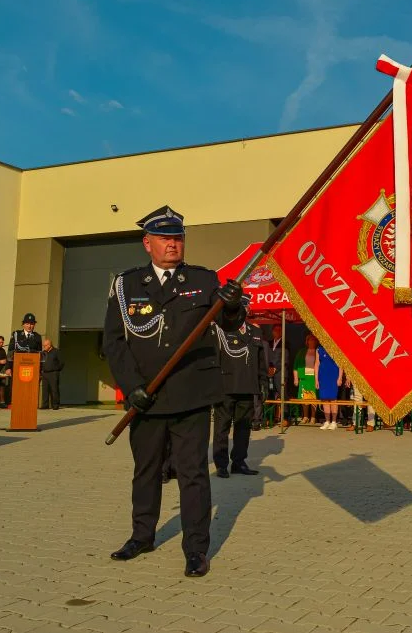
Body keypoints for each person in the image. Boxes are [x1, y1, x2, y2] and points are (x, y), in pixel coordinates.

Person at [102, 205, 244, 577]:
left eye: (178, 238)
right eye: (165, 238)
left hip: (191, 394)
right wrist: (131, 387)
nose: (173, 244)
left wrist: (232, 306)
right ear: (147, 243)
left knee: (193, 473)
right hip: (146, 396)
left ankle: (196, 549)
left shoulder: (205, 279)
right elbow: (114, 342)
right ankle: (141, 535)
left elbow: (229, 323)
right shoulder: (126, 285)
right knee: (145, 470)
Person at [211, 319, 267, 478]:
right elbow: (215, 357)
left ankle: (239, 462)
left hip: (248, 386)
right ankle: (221, 464)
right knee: (222, 428)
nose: (245, 310)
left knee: (243, 428)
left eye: (248, 307)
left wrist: (264, 382)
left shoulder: (255, 332)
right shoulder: (222, 328)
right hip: (226, 386)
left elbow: (260, 361)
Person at [293, 333, 320, 424]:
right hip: (304, 378)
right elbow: (295, 366)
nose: (312, 341)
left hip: (314, 378)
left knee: (313, 398)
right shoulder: (301, 352)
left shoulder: (318, 351)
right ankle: (305, 416)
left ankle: (313, 417)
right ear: (307, 341)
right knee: (304, 398)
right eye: (310, 340)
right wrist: (296, 378)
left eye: (314, 340)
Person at [316, 341, 340, 430]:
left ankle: (334, 421)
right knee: (325, 399)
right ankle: (327, 421)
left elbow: (341, 363)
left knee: (333, 399)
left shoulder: (336, 347)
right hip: (323, 376)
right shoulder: (319, 349)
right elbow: (317, 364)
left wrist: (340, 377)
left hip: (333, 375)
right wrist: (316, 379)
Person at [40, 338, 65, 410]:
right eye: (43, 345)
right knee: (45, 390)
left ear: (49, 345)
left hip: (53, 373)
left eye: (45, 345)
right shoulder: (43, 353)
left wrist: (57, 369)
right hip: (44, 373)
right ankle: (45, 405)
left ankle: (55, 405)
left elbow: (62, 362)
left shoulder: (56, 351)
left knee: (54, 389)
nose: (44, 347)